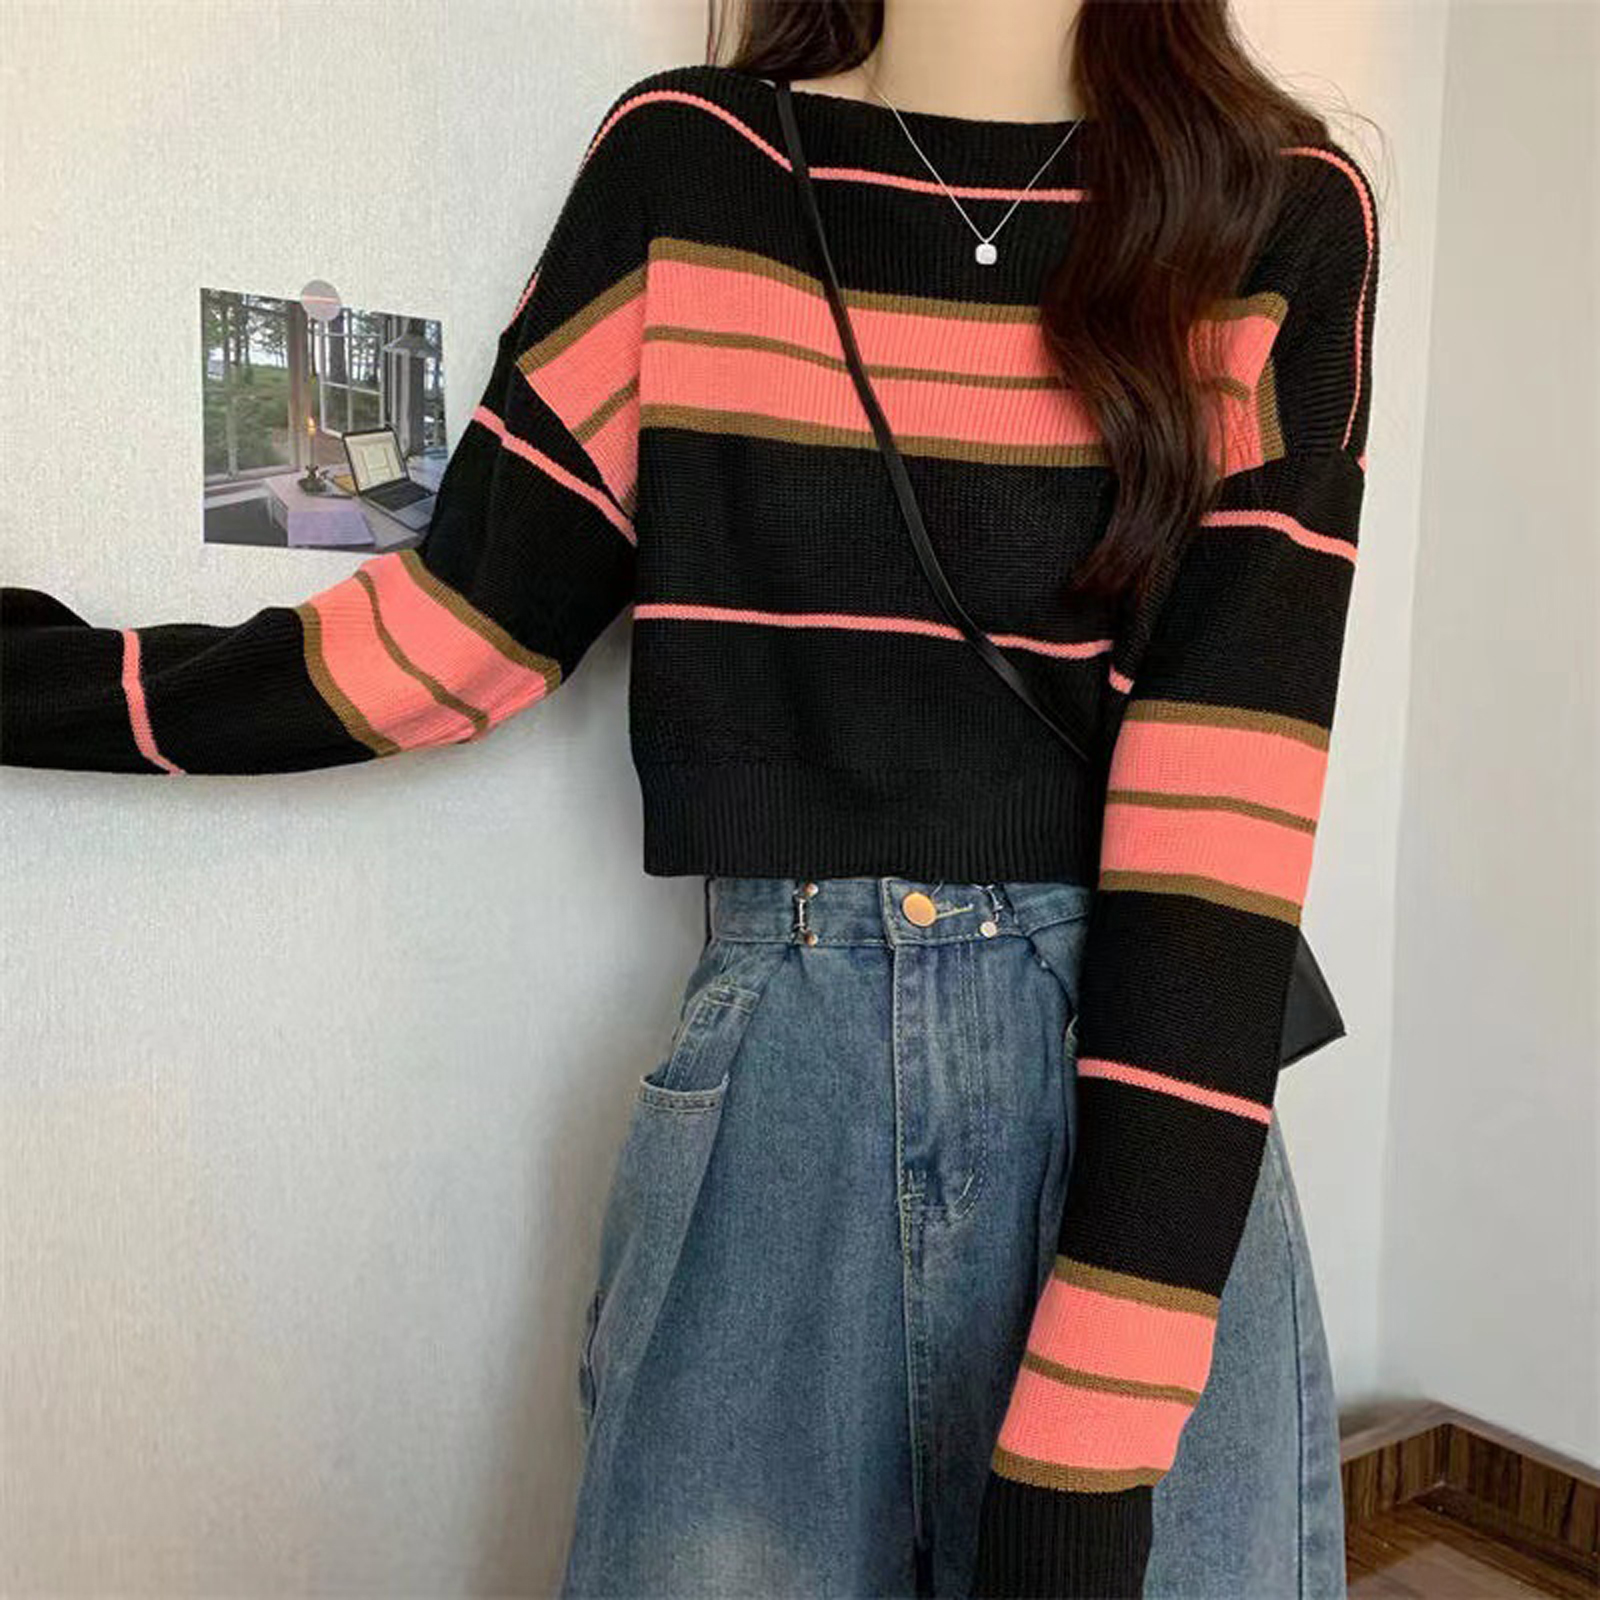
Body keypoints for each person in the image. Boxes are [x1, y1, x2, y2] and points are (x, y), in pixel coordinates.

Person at [1, 2, 1382, 1595]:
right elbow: (461, 636)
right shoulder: (694, 165)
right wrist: (49, 687)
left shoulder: (1274, 211)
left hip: (1142, 1118)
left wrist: (1096, 1436)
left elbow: (1222, 835)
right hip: (787, 1081)